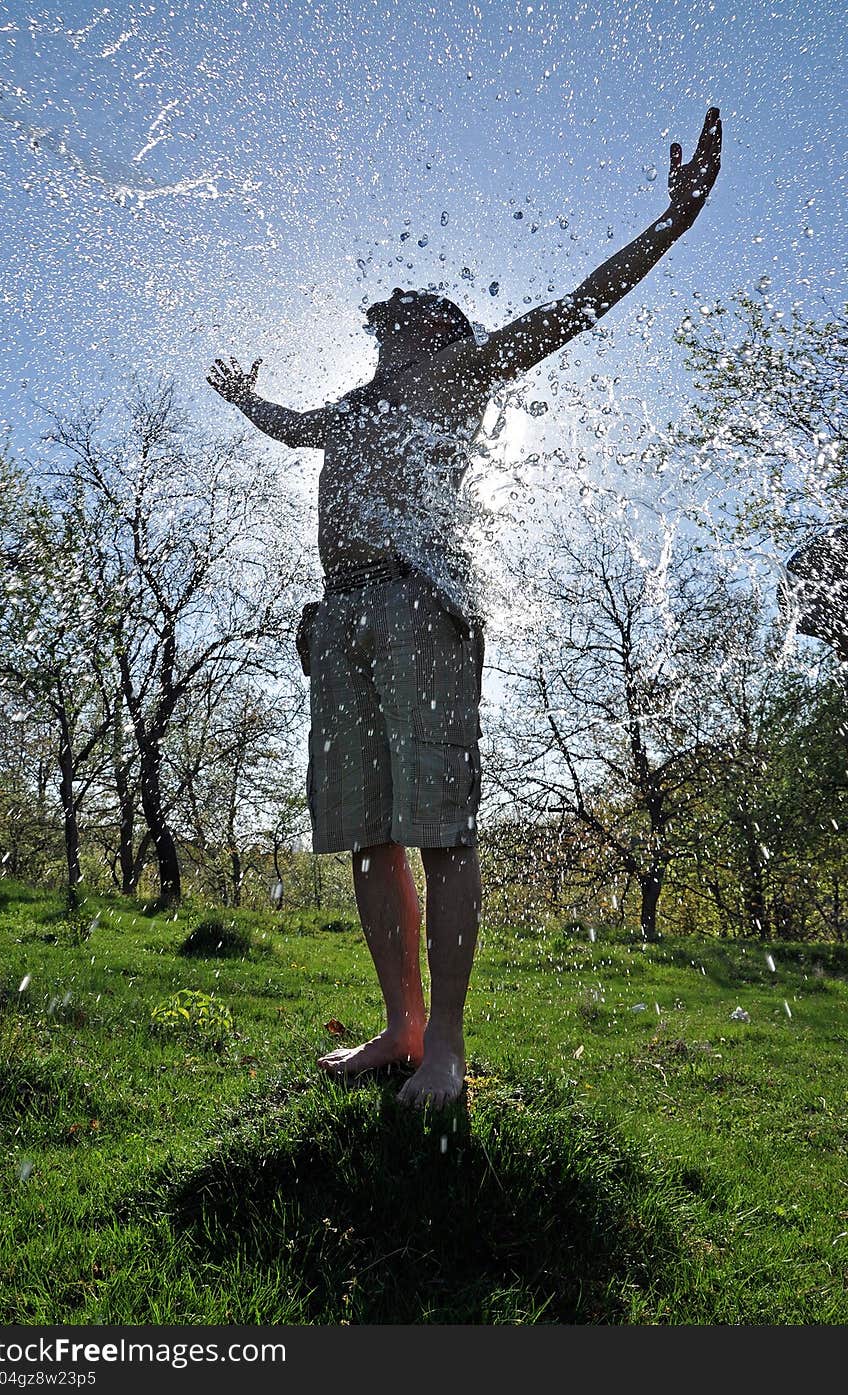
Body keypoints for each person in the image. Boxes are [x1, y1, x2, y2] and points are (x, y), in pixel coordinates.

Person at [207, 108, 722, 1109]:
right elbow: (286, 427)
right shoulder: (352, 411)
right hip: (341, 614)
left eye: (394, 328)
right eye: (376, 333)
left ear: (435, 330)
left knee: (438, 830)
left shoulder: (462, 371)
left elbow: (577, 307)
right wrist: (244, 402)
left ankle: (443, 1046)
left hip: (418, 608)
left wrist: (670, 226)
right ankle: (397, 1027)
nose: (378, 345)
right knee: (367, 834)